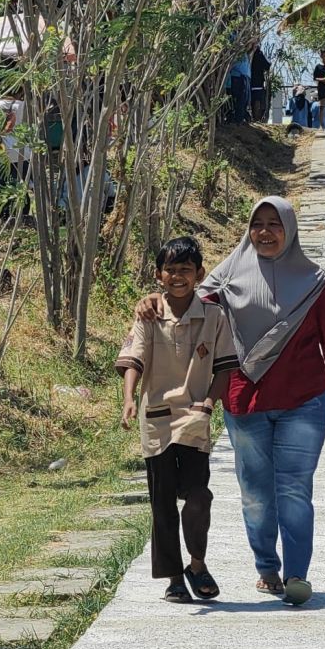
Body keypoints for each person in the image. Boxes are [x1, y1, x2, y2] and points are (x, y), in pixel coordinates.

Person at [136, 197, 325, 606]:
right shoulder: (225, 280)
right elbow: (183, 298)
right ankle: (267, 568)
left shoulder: (317, 281)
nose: (264, 232)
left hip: (304, 400)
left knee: (295, 487)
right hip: (246, 400)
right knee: (256, 492)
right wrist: (151, 300)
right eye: (257, 224)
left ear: (290, 229)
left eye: (274, 224)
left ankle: (298, 573)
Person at [117, 237, 238, 604]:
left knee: (199, 495)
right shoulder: (149, 315)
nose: (178, 276)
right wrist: (128, 400)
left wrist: (208, 404)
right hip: (156, 420)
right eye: (170, 269)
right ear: (159, 275)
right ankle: (173, 578)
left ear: (200, 274)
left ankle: (197, 563)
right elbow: (134, 359)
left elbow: (224, 369)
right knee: (163, 502)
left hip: (195, 417)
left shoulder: (214, 317)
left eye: (186, 270)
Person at [249, 42, 271, 123]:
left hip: (248, 82)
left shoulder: (246, 54)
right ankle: (257, 119)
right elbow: (267, 66)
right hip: (258, 82)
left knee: (251, 101)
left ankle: (252, 117)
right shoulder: (259, 54)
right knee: (258, 101)